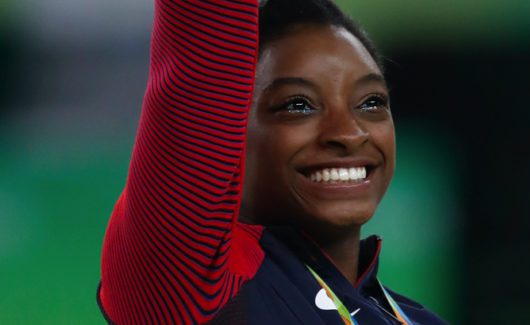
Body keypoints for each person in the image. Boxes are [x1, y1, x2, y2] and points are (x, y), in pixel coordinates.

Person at [98, 0, 447, 324]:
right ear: (227, 134)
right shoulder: (193, 287)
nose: (350, 133)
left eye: (371, 102)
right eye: (297, 105)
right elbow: (204, 49)